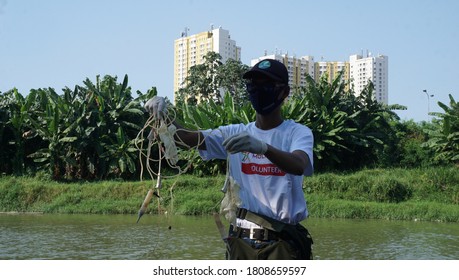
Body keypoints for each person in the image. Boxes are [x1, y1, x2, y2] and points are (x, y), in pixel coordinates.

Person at [145, 59, 314, 260]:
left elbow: (299, 164)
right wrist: (163, 116)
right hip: (241, 243)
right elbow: (188, 138)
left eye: (266, 85)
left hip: (281, 244)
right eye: (253, 85)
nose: (258, 90)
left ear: (284, 92)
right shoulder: (235, 133)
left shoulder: (297, 133)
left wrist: (263, 148)